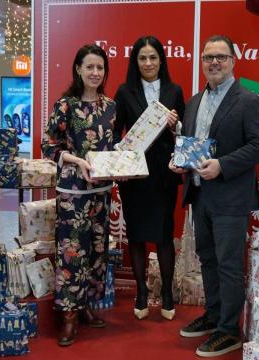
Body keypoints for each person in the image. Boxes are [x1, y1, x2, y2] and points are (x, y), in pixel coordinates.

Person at [169, 35, 259, 357]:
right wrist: (179, 162)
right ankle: (213, 316)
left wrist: (222, 165)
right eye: (208, 57)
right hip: (199, 195)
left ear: (233, 61)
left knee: (228, 265)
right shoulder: (195, 102)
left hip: (230, 196)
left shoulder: (249, 100)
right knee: (208, 260)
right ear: (202, 62)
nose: (214, 62)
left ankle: (229, 330)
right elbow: (190, 142)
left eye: (221, 57)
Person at [41, 44, 116, 347]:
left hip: (102, 190)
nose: (95, 73)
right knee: (73, 252)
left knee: (97, 251)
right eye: (90, 67)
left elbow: (114, 145)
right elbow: (48, 145)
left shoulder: (110, 106)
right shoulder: (66, 105)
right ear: (78, 69)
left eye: (100, 68)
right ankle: (68, 316)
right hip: (73, 192)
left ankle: (85, 305)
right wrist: (76, 160)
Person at [113, 36, 184, 321]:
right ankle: (141, 293)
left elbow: (184, 130)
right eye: (142, 58)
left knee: (165, 236)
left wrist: (175, 124)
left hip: (164, 175)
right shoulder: (124, 91)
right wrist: (119, 153)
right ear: (136, 62)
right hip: (135, 176)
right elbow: (116, 130)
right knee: (138, 237)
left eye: (153, 57)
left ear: (161, 60)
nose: (148, 63)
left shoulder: (174, 90)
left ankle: (166, 294)